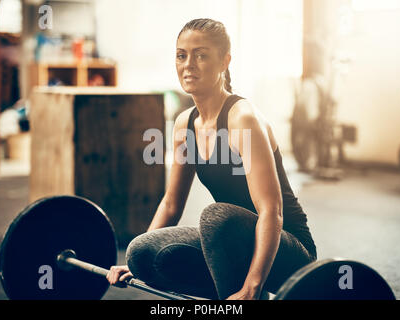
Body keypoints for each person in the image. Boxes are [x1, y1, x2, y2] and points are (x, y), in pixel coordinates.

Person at [106, 18, 317, 300]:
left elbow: (271, 211)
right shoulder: (185, 124)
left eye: (201, 55)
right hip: (232, 244)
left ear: (224, 62)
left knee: (216, 217)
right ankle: (225, 293)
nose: (188, 64)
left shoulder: (243, 119)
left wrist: (252, 287)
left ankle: (244, 296)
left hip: (287, 250)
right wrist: (131, 266)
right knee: (141, 252)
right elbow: (171, 204)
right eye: (181, 55)